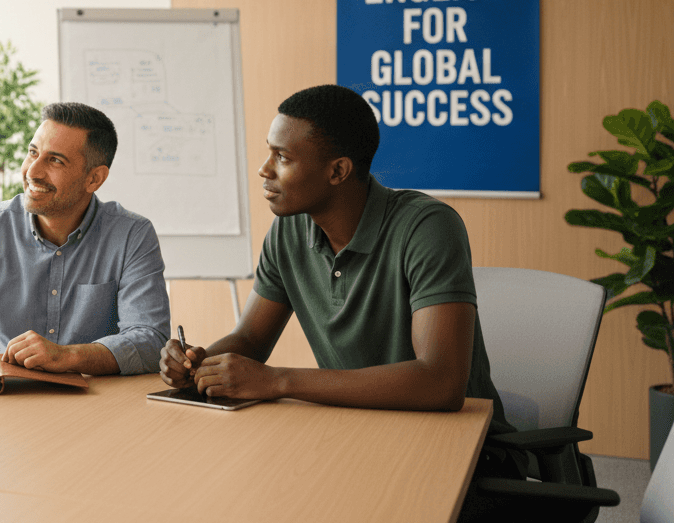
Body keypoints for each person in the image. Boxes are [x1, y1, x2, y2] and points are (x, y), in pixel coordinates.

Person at [159, 84, 522, 517]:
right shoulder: (288, 232)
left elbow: (440, 383)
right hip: (360, 436)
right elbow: (250, 340)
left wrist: (278, 381)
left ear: (338, 171)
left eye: (282, 157)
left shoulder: (427, 228)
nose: (264, 169)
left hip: (465, 455)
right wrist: (198, 364)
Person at [0, 102, 171, 377]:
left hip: (96, 399)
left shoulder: (132, 235)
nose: (32, 172)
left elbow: (150, 339)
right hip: (4, 395)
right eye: (33, 153)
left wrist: (68, 356)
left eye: (55, 160)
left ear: (94, 178)